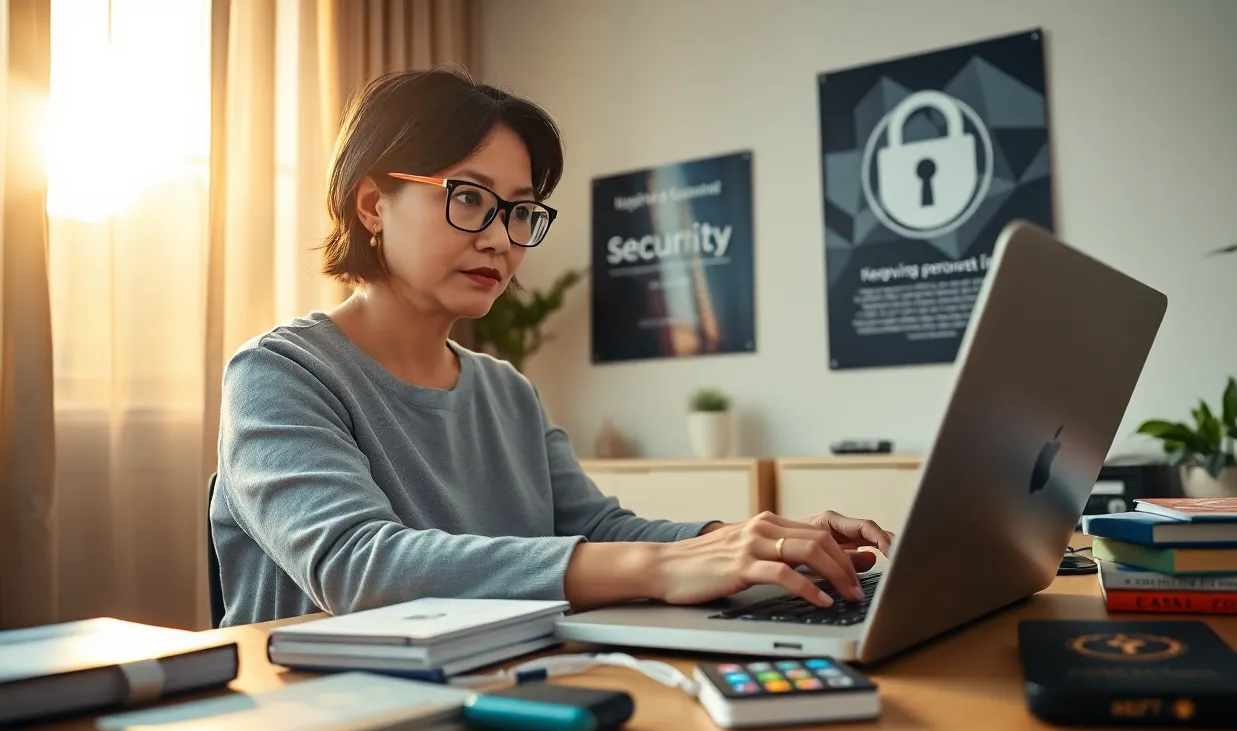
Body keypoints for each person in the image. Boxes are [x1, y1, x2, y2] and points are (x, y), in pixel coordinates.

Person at [210, 67, 892, 627]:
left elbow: (600, 529)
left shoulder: (505, 390)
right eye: (470, 199)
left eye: (519, 211)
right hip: (324, 718)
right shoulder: (279, 374)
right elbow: (360, 567)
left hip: (493, 690)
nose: (501, 238)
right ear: (371, 205)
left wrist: (762, 547)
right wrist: (667, 568)